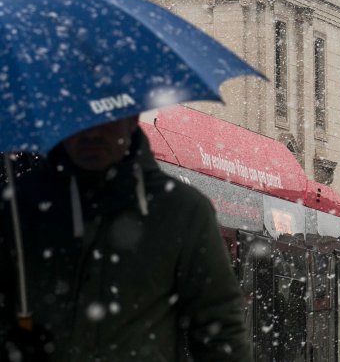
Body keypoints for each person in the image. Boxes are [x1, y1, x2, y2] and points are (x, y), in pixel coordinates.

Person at [0, 116, 252, 361]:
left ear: (132, 118)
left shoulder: (182, 210)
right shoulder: (17, 207)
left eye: (106, 118)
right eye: (81, 116)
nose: (92, 132)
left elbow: (221, 331)